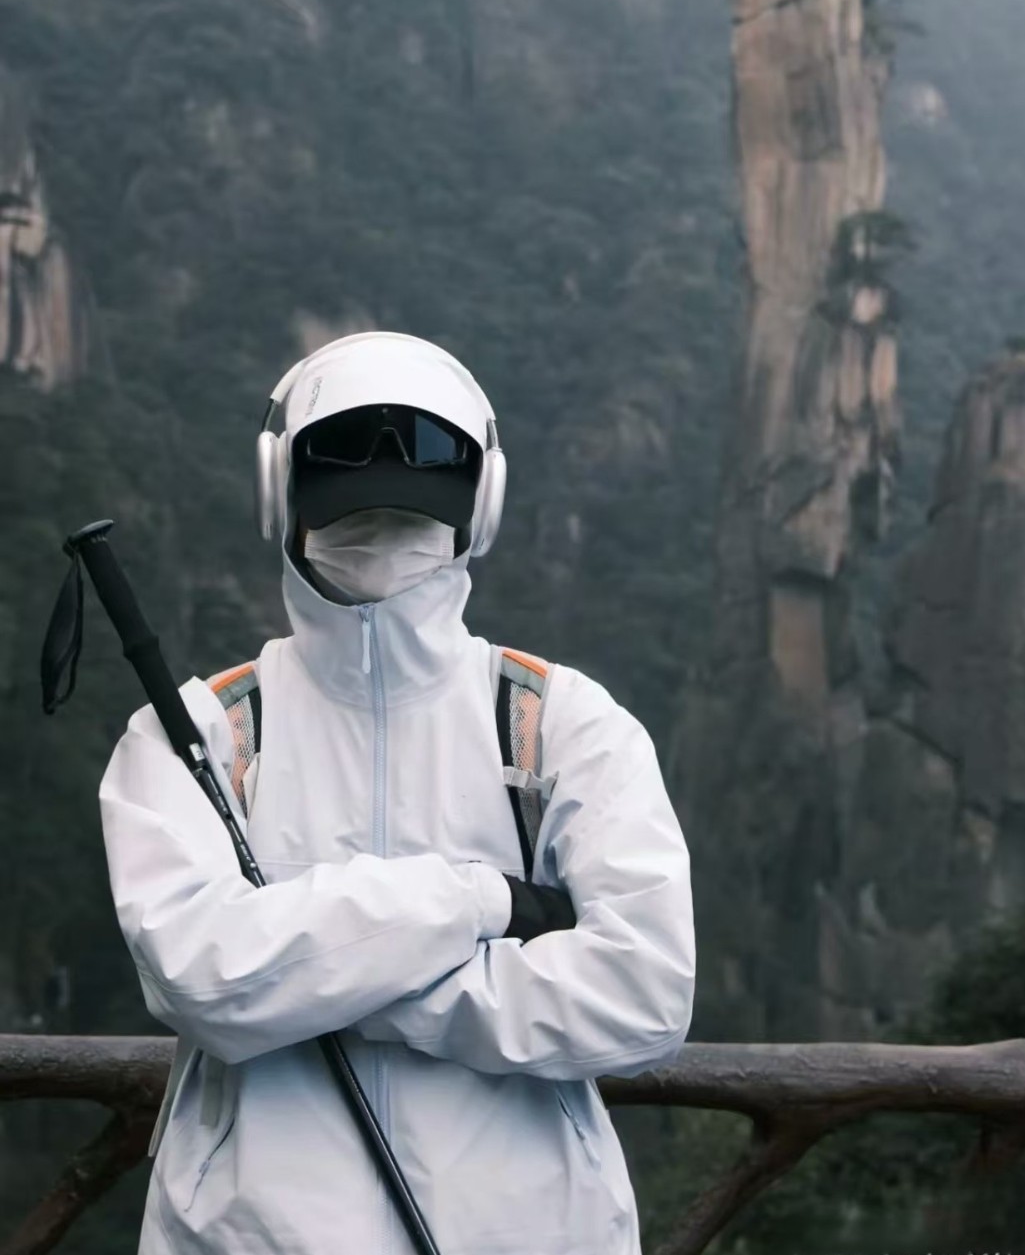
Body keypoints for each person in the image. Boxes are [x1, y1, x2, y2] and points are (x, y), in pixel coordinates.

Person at [100, 331, 695, 1255]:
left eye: (413, 505)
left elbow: (643, 993)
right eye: (352, 499)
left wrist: (320, 981)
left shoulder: (560, 723)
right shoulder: (201, 732)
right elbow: (202, 977)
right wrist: (479, 898)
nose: (383, 528)